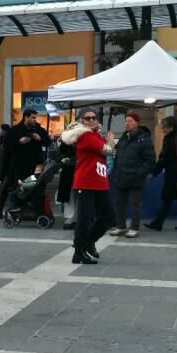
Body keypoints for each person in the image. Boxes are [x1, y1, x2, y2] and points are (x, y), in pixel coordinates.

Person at [60, 108, 116, 264]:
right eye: (87, 118)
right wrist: (110, 140)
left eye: (94, 117)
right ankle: (79, 253)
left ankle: (86, 243)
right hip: (86, 182)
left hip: (99, 182)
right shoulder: (84, 135)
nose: (91, 120)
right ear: (81, 121)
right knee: (85, 219)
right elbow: (107, 150)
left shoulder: (95, 134)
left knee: (109, 217)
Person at [0, 108, 51, 217]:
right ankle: (8, 210)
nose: (34, 120)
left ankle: (33, 211)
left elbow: (48, 142)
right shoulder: (15, 130)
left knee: (33, 189)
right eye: (32, 117)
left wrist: (40, 139)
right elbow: (8, 147)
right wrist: (19, 142)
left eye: (35, 117)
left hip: (35, 166)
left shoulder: (39, 129)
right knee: (15, 188)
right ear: (26, 117)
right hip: (18, 166)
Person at [108, 111, 155, 238]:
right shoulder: (123, 137)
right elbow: (117, 156)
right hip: (121, 177)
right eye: (126, 121)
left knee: (135, 205)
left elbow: (150, 161)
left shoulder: (144, 139)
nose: (127, 123)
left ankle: (134, 227)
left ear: (137, 123)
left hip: (135, 179)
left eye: (130, 121)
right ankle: (120, 226)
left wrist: (138, 174)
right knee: (119, 203)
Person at [147, 116, 177, 231]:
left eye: (164, 127)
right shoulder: (168, 139)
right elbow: (163, 159)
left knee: (169, 199)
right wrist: (153, 172)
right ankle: (158, 223)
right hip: (172, 174)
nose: (163, 130)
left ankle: (158, 223)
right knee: (167, 198)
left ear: (171, 127)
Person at [56, 124, 79, 229]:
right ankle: (70, 217)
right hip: (68, 170)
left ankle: (79, 217)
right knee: (68, 194)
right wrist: (63, 159)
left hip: (80, 169)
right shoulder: (67, 141)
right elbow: (61, 152)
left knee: (80, 194)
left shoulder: (84, 139)